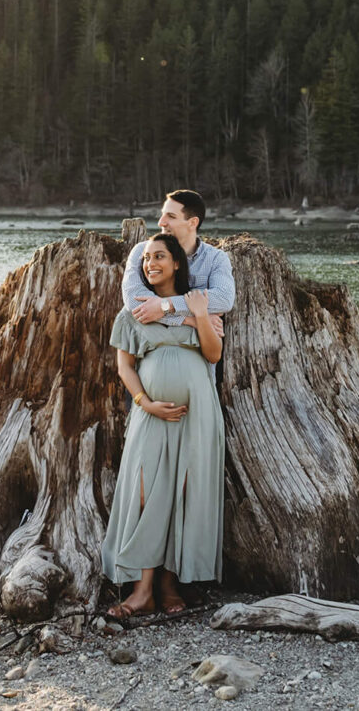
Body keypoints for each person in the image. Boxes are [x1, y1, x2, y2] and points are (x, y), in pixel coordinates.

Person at [99, 232, 224, 616]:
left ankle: (170, 587)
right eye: (146, 259)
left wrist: (200, 314)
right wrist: (146, 403)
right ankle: (141, 590)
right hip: (150, 415)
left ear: (176, 264)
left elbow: (213, 354)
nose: (150, 264)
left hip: (197, 415)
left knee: (185, 494)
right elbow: (124, 366)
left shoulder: (198, 305)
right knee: (144, 494)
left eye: (158, 257)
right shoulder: (132, 311)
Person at [123, 189, 235, 334]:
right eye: (162, 214)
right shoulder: (142, 251)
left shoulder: (215, 259)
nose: (161, 222)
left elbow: (223, 300)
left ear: (192, 222)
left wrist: (165, 305)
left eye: (171, 216)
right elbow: (134, 303)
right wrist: (192, 320)